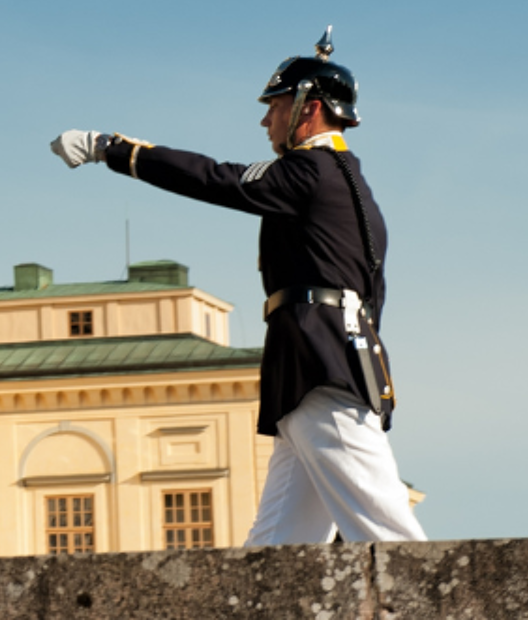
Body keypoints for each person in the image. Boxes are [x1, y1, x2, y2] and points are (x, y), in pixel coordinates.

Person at [49, 28, 425, 544]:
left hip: (321, 366)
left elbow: (215, 178)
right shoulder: (349, 182)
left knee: (389, 536)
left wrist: (114, 151)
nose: (266, 119)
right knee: (278, 549)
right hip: (317, 364)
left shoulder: (311, 170)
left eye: (274, 106)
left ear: (307, 107)